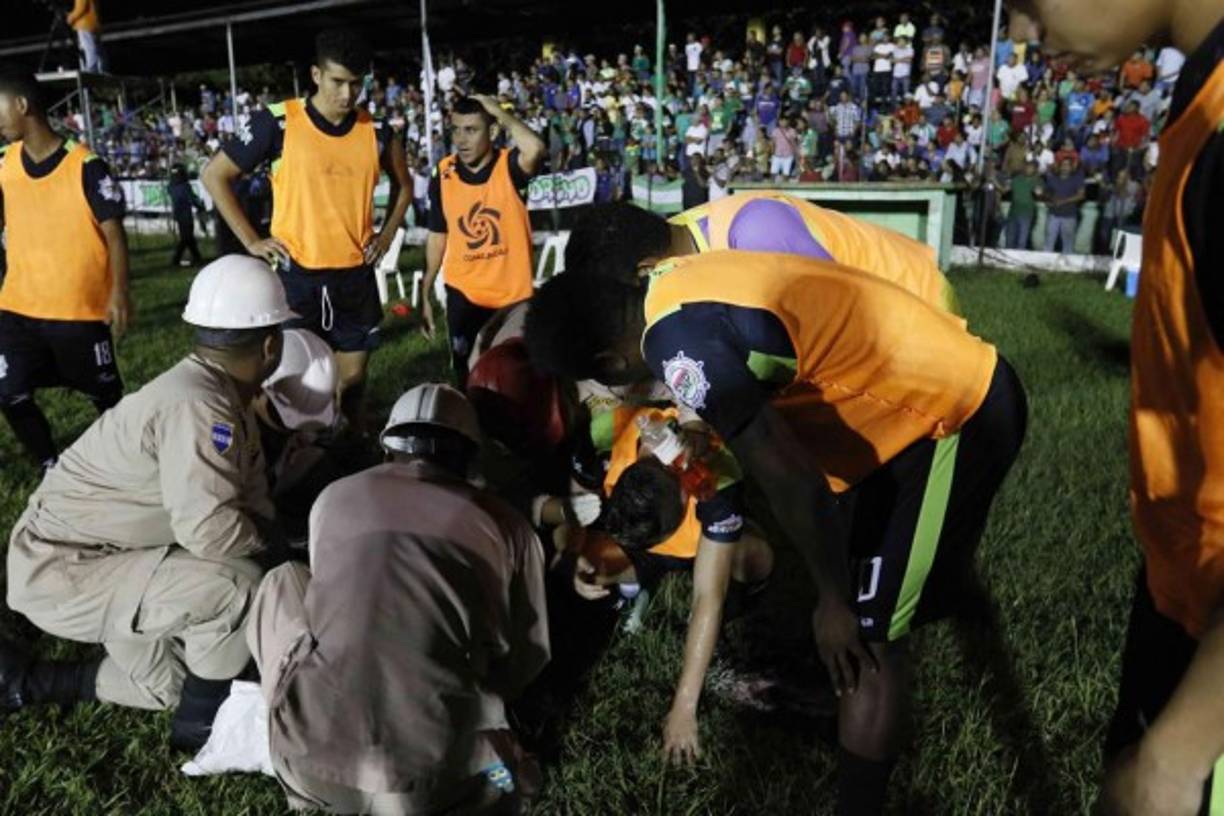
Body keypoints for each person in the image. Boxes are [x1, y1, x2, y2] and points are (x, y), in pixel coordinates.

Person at [524, 250, 1027, 816]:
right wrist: (697, 424)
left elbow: (792, 480)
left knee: (867, 632)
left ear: (610, 361)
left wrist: (831, 599)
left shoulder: (676, 347)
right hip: (899, 408)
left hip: (948, 414)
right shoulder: (665, 285)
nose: (612, 395)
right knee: (863, 584)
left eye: (602, 382)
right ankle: (881, 643)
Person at [1011, 2, 1224, 814]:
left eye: (1027, 3)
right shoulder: (1200, 100)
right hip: (1188, 589)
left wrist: (1180, 753)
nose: (1024, 34)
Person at [0, 256, 296, 751]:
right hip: (65, 566)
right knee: (235, 588)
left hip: (112, 556)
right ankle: (203, 731)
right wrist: (278, 559)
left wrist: (282, 550)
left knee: (170, 683)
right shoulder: (199, 403)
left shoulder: (215, 393)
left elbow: (252, 504)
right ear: (270, 345)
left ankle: (27, 682)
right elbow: (211, 532)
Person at [247, 383, 549, 813]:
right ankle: (497, 777)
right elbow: (525, 658)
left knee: (284, 580)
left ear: (387, 449)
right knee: (514, 777)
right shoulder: (507, 524)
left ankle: (304, 783)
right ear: (468, 457)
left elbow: (323, 598)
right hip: (428, 784)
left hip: (307, 764)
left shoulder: (333, 497)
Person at [203, 29, 412, 433]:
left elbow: (405, 185)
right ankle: (287, 457)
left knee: (353, 386)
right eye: (338, 82)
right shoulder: (279, 122)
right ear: (316, 75)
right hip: (296, 278)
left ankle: (350, 453)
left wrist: (386, 236)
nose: (348, 95)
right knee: (289, 390)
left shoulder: (378, 132)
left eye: (356, 84)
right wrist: (252, 240)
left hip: (355, 279)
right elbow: (215, 175)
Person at [563, 404, 773, 763]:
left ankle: (723, 619)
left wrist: (684, 707)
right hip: (645, 538)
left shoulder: (716, 483)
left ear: (684, 492)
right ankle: (638, 585)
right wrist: (574, 555)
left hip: (703, 543)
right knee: (590, 566)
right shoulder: (625, 424)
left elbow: (707, 597)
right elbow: (578, 481)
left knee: (755, 560)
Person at [0, 65, 129, 471]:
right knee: (8, 392)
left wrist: (119, 292)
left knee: (107, 400)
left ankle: (125, 464)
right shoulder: (4, 163)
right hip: (17, 309)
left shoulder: (86, 165)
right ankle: (49, 465)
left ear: (22, 105)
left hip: (78, 312)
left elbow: (114, 234)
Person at [566, 193, 957, 313]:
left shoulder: (753, 232)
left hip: (920, 303)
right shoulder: (680, 239)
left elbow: (837, 316)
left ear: (645, 270)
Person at [421, 96, 545, 387]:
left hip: (512, 298)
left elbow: (536, 148)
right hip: (464, 296)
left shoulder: (510, 166)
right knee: (466, 379)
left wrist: (497, 110)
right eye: (456, 130)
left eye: (471, 130)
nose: (461, 140)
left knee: (513, 382)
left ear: (492, 131)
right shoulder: (443, 173)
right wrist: (425, 290)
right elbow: (438, 234)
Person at [1039, 158, 1085, 254]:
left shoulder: (1076, 179)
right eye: (1063, 165)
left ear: (1071, 167)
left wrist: (1063, 201)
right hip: (1053, 214)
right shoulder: (1052, 179)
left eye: (1067, 165)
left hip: (1069, 215)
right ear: (1059, 167)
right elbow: (1047, 193)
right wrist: (1046, 199)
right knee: (1049, 238)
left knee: (1068, 241)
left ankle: (1067, 261)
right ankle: (1046, 260)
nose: (1065, 167)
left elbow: (1081, 195)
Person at [168, 164, 205, 267]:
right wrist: (200, 205)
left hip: (178, 214)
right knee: (186, 238)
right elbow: (191, 198)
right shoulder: (184, 186)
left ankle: (197, 258)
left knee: (188, 237)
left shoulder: (171, 186)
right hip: (185, 214)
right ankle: (176, 259)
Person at [1003, 160, 1040, 250]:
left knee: (1021, 241)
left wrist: (1038, 190)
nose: (1028, 169)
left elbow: (1039, 193)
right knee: (1009, 240)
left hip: (1026, 214)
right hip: (1013, 213)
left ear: (1035, 170)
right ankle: (1007, 257)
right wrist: (1002, 183)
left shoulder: (1037, 181)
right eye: (1027, 166)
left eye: (1031, 168)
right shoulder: (1016, 179)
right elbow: (1005, 190)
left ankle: (1018, 258)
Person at [67, 0, 104, 74]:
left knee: (89, 49)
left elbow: (81, 8)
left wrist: (70, 18)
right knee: (97, 50)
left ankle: (91, 71)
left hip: (84, 24)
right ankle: (101, 70)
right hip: (93, 23)